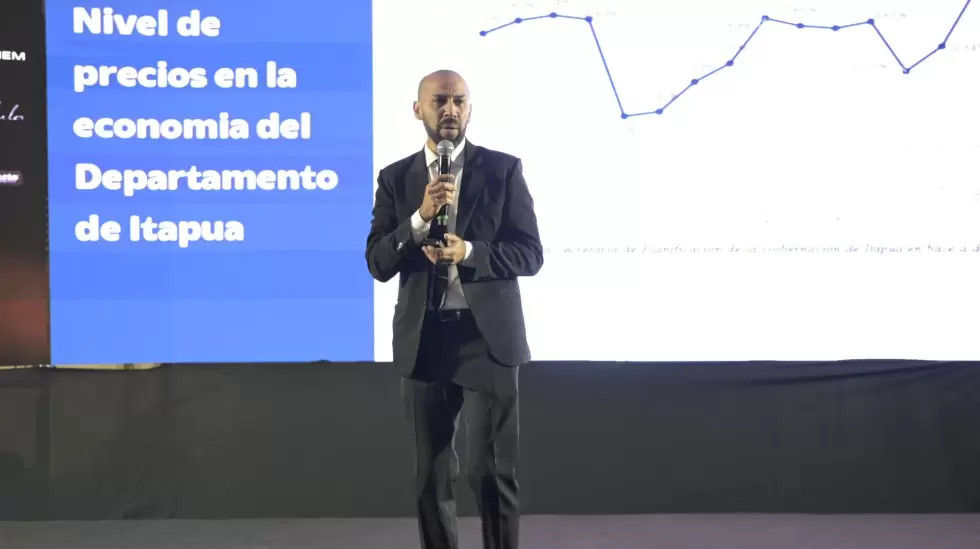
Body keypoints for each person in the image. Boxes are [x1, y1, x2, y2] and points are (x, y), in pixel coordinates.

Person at [365, 69, 543, 549]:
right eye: (439, 100)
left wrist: (470, 252)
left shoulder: (502, 170)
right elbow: (378, 263)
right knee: (432, 474)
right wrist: (419, 219)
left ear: (469, 109)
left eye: (459, 101)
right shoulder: (396, 178)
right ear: (417, 109)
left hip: (487, 339)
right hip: (425, 338)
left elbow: (530, 255)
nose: (450, 110)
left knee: (491, 472)